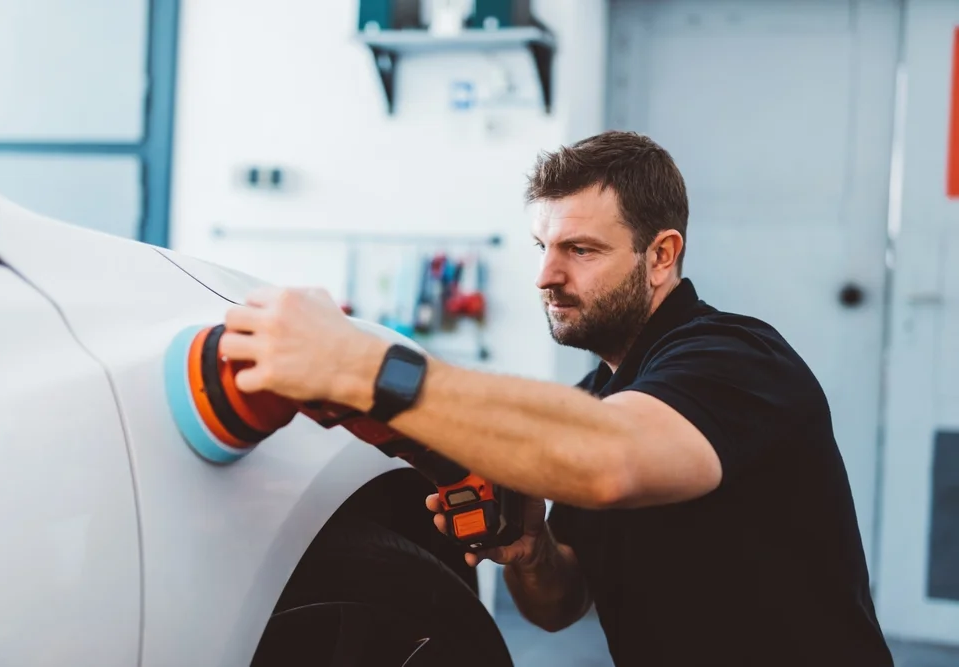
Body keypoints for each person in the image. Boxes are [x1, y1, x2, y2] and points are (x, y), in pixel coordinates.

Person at [217, 130, 894, 666]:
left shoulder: (738, 359)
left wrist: (365, 366)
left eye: (580, 249)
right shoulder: (595, 399)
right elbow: (558, 605)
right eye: (542, 246)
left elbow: (611, 459)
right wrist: (534, 549)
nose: (546, 275)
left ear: (661, 255)